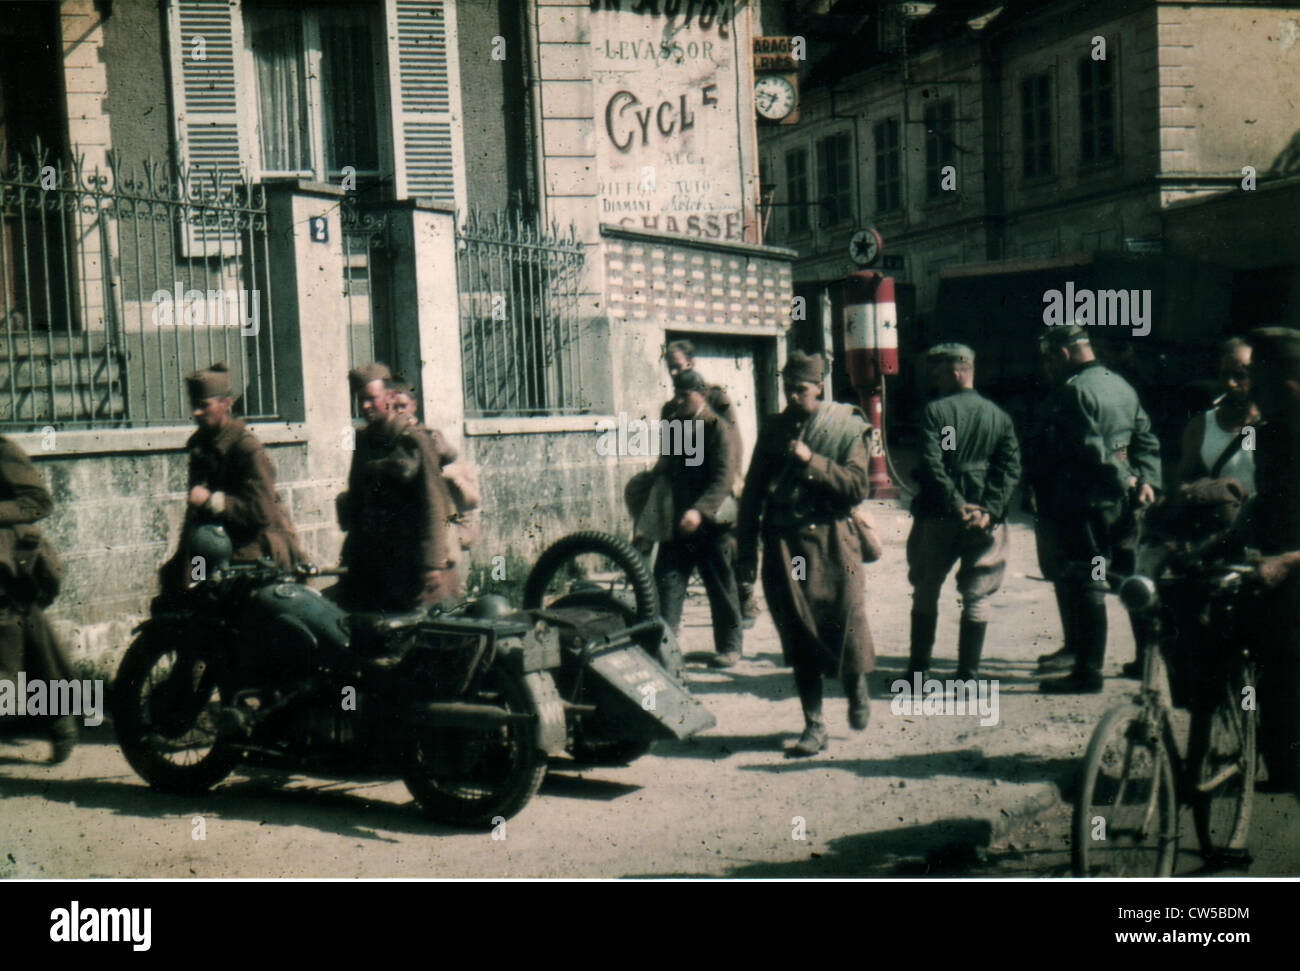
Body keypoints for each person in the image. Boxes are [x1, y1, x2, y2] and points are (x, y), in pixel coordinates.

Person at [737, 351, 874, 756]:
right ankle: (814, 725)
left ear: (819, 387)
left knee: (845, 622)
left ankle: (856, 688)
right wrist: (746, 549)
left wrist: (810, 460)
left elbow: (856, 487)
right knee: (798, 634)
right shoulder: (775, 429)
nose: (794, 397)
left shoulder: (846, 426)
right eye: (788, 389)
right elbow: (753, 494)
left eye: (802, 389)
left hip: (833, 541)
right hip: (786, 544)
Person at [1027, 326, 1161, 693]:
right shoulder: (1121, 385)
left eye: (1051, 358)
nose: (1049, 366)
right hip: (1126, 508)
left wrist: (1126, 480)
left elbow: (1090, 450)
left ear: (1065, 353)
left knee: (1089, 581)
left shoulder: (1074, 391)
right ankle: (1144, 663)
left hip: (1088, 507)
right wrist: (1146, 481)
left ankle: (1087, 673)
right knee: (1129, 577)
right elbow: (1145, 438)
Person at [906, 344, 1021, 685]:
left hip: (940, 516)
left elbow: (935, 462)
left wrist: (957, 504)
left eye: (939, 372)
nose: (935, 379)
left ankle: (918, 674)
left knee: (927, 588)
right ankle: (968, 676)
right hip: (984, 522)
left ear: (957, 371)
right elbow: (1009, 468)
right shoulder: (998, 416)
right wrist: (989, 509)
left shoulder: (938, 412)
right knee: (977, 594)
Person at [161, 362, 304, 591]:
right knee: (189, 598)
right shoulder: (201, 447)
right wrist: (188, 562)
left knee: (233, 615)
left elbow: (262, 511)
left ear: (226, 404)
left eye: (204, 406)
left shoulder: (246, 449)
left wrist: (213, 501)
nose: (197, 412)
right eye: (194, 406)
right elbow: (196, 517)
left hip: (251, 556)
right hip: (208, 554)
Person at [337, 365, 459, 612]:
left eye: (372, 399)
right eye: (361, 400)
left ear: (391, 398)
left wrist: (432, 563)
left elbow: (435, 504)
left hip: (412, 562)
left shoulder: (413, 440)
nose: (365, 406)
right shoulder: (362, 441)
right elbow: (358, 499)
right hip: (373, 560)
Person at [1241, 327, 1300, 795]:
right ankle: (1284, 769)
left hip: (1291, 569)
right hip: (1280, 579)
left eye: (1259, 382)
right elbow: (1265, 507)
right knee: (1277, 674)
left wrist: (1288, 560)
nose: (1251, 395)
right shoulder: (1269, 436)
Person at [653, 368, 744, 667]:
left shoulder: (718, 428)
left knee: (720, 584)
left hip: (711, 523)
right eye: (676, 394)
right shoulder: (676, 424)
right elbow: (668, 467)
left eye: (685, 395)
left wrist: (700, 510)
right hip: (679, 521)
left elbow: (723, 477)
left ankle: (730, 647)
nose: (679, 400)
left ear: (702, 395)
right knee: (667, 581)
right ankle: (665, 647)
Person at [665, 340, 759, 625]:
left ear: (691, 364)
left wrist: (735, 476)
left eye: (678, 366)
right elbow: (672, 450)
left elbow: (732, 440)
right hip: (689, 488)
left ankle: (744, 596)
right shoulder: (672, 408)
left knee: (725, 550)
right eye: (669, 368)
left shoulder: (716, 398)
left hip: (719, 477)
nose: (673, 372)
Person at [0, 437, 78, 763]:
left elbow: (39, 501)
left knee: (28, 649)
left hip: (8, 569)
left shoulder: (3, 450)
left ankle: (61, 722)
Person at [1174, 337, 1258, 494]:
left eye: (1240, 375)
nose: (1230, 383)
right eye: (1225, 374)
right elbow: (1182, 483)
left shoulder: (1274, 425)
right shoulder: (1201, 426)